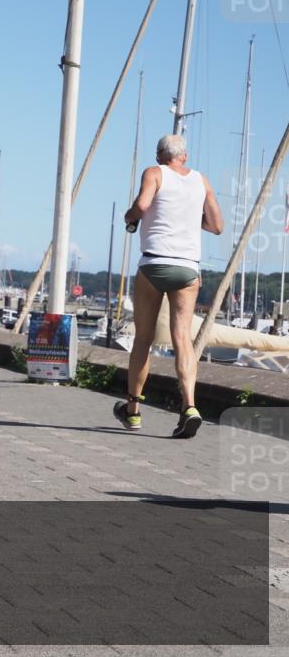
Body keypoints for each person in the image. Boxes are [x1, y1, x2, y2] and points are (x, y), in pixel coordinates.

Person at [114, 134, 222, 438]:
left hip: (154, 263)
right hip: (188, 268)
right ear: (184, 156)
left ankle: (133, 411)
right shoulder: (202, 181)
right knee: (182, 340)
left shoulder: (154, 173)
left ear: (160, 155)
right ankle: (189, 406)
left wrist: (130, 216)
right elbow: (216, 225)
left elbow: (142, 205)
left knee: (143, 339)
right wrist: (188, 218)